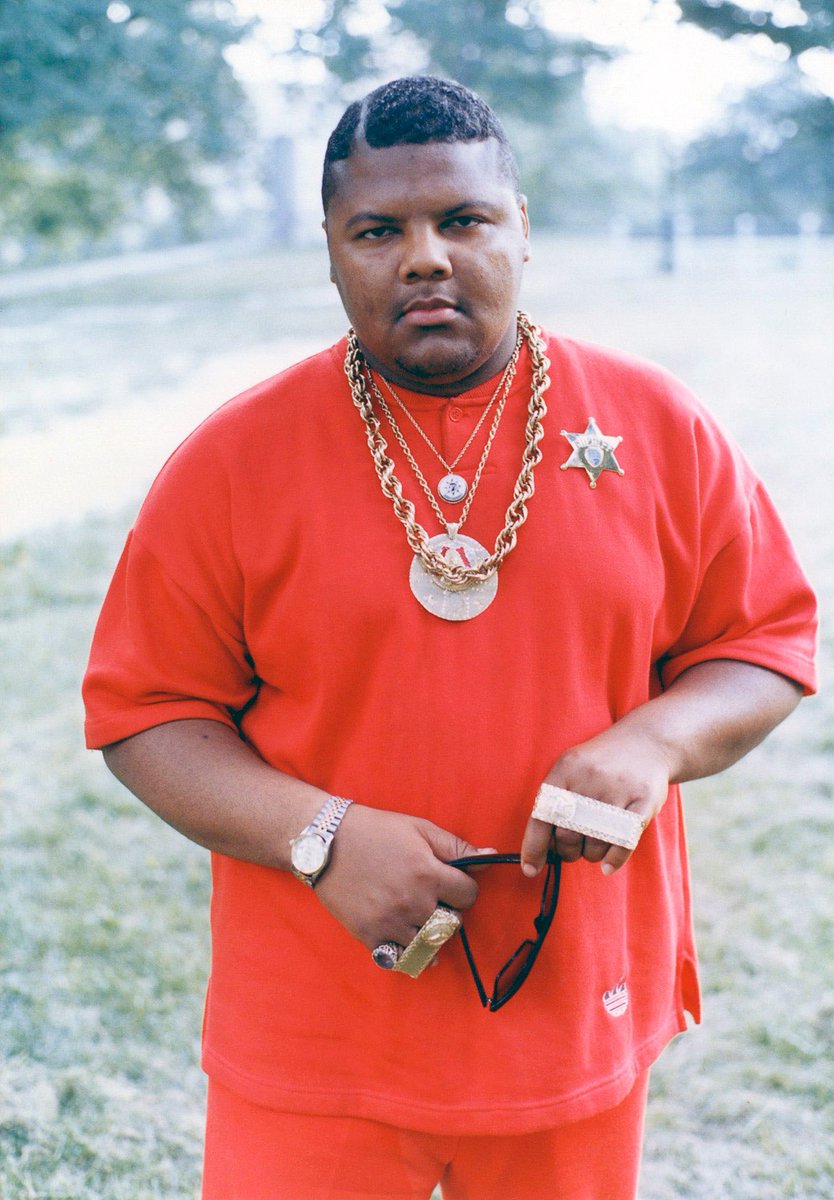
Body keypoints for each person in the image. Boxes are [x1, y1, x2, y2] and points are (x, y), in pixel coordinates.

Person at [83, 76, 817, 1200]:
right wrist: (321, 834)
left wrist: (656, 743)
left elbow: (765, 638)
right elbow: (143, 713)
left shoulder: (657, 424)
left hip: (568, 1011)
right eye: (378, 230)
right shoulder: (230, 463)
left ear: (523, 229)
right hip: (313, 1039)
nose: (424, 256)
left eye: (462, 220)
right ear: (331, 252)